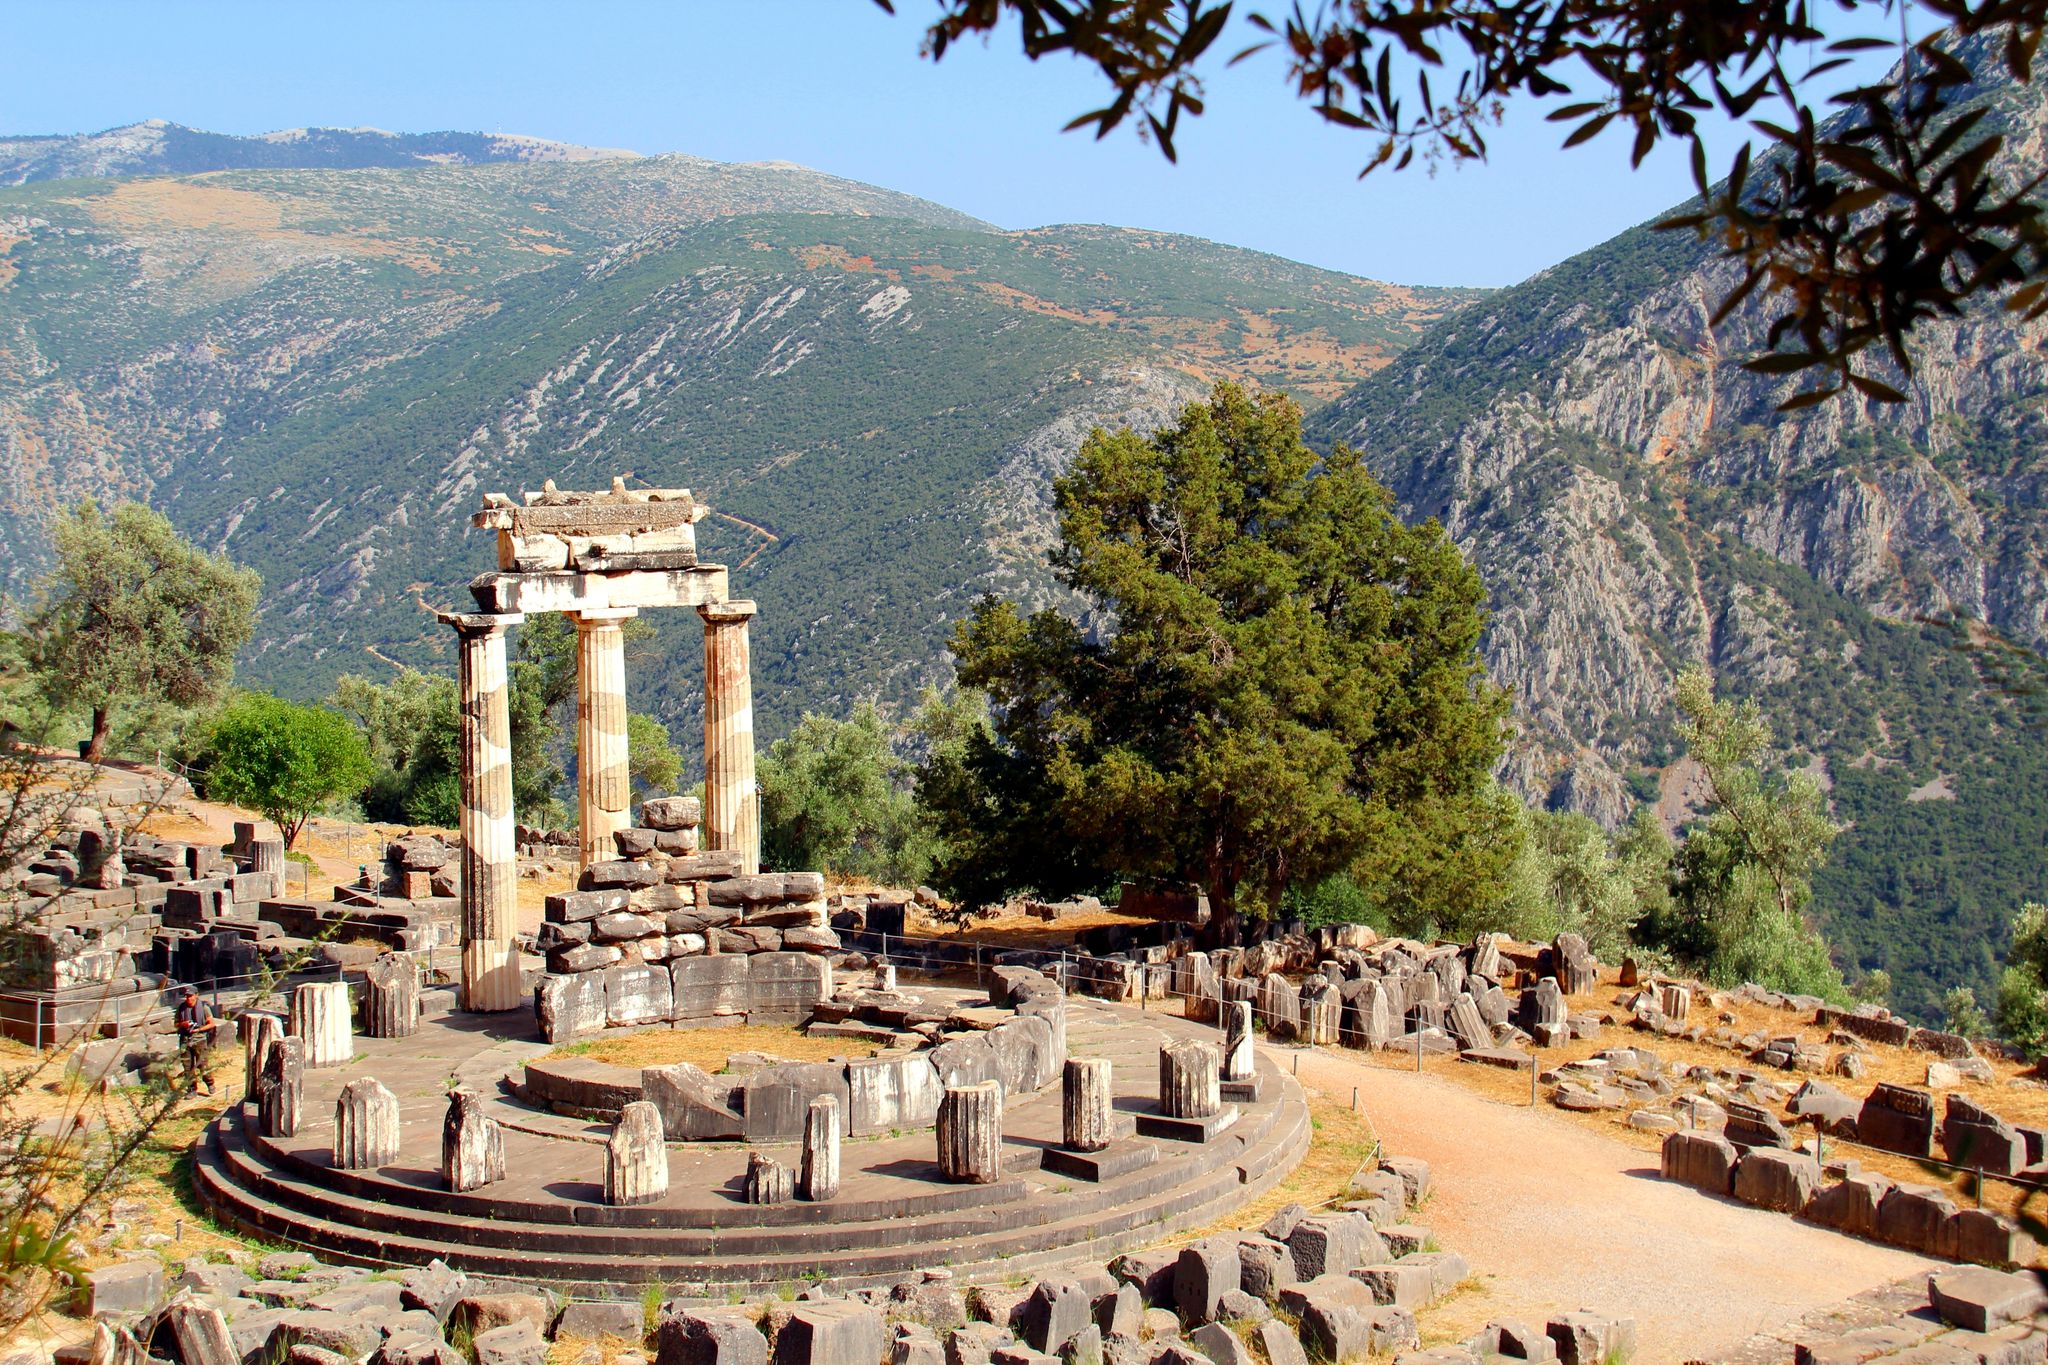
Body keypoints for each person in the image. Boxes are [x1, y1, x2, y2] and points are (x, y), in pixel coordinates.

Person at [175, 986, 219, 1095]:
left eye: (190, 996)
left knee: (203, 1065)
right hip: (185, 1040)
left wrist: (199, 1029)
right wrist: (183, 1024)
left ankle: (210, 1083)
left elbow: (211, 1023)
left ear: (196, 995)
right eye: (186, 996)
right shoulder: (181, 1008)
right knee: (187, 1067)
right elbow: (176, 1024)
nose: (188, 998)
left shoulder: (204, 1008)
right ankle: (191, 1089)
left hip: (199, 1039)